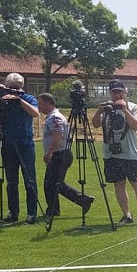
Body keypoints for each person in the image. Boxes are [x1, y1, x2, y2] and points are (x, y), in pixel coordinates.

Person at [0, 73, 40, 224]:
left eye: (16, 87)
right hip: (7, 142)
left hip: (25, 143)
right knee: (11, 181)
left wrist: (19, 100)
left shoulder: (28, 98)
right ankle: (13, 212)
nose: (13, 90)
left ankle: (31, 213)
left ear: (22, 87)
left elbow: (35, 113)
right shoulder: (0, 95)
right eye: (11, 87)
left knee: (29, 180)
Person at [91, 79, 137, 225]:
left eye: (120, 92)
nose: (117, 95)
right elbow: (95, 124)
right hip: (111, 154)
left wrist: (125, 110)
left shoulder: (133, 107)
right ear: (110, 93)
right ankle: (127, 215)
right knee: (119, 186)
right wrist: (99, 111)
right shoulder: (107, 108)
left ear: (125, 92)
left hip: (131, 154)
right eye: (114, 92)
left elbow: (136, 126)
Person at [38, 92, 94, 223]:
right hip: (61, 153)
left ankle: (54, 209)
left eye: (41, 104)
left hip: (59, 154)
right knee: (55, 183)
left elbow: (58, 135)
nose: (39, 107)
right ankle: (82, 200)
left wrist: (49, 152)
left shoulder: (54, 117)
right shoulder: (53, 116)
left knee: (51, 184)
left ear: (48, 103)